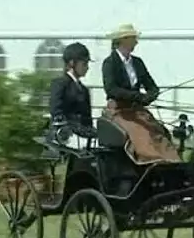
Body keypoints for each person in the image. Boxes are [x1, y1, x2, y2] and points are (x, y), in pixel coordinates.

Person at [101, 23, 180, 164]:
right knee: (141, 132)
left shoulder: (137, 63)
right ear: (123, 40)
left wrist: (151, 95)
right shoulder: (109, 63)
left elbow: (151, 86)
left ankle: (171, 160)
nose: (136, 42)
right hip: (119, 111)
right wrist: (137, 96)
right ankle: (152, 160)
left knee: (157, 130)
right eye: (133, 39)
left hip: (137, 110)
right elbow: (111, 89)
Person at [49, 42, 97, 146]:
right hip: (65, 137)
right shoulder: (60, 84)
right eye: (84, 64)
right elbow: (56, 111)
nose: (87, 68)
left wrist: (90, 133)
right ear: (72, 63)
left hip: (83, 138)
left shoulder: (84, 89)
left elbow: (87, 118)